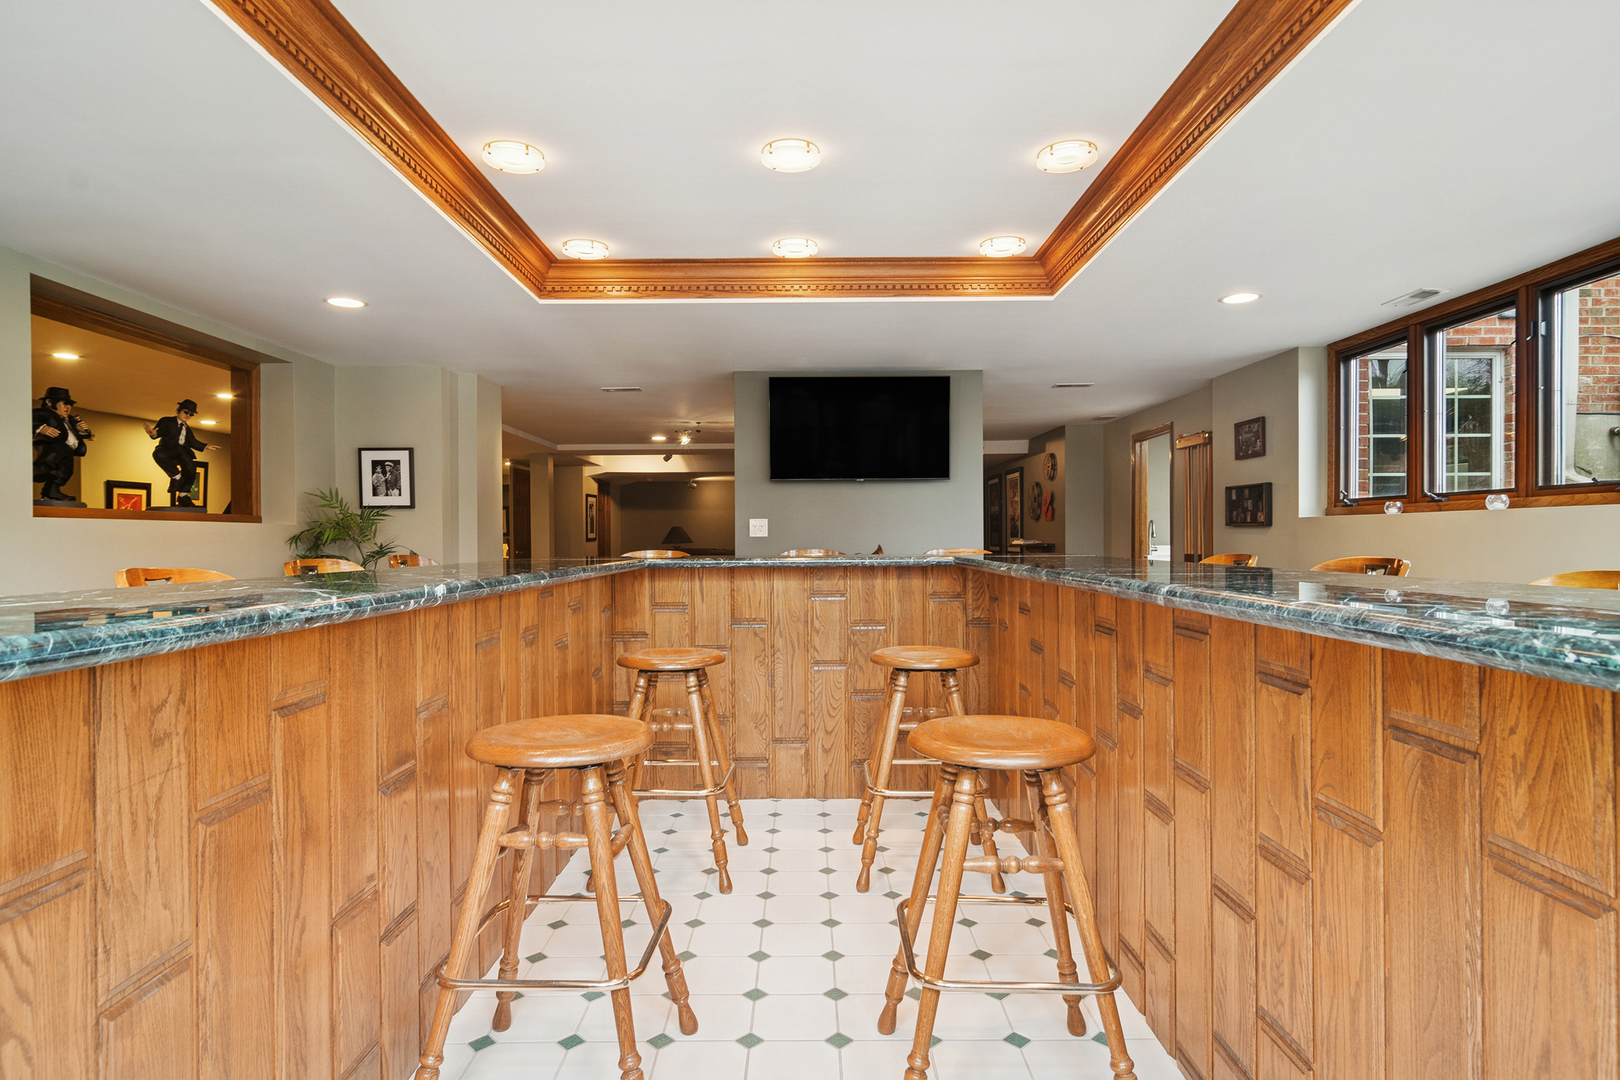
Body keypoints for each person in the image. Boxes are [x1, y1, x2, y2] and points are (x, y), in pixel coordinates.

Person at [143, 398, 210, 508]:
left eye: (191, 414)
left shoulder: (187, 428)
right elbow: (158, 431)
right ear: (179, 410)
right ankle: (176, 476)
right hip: (168, 448)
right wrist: (153, 433)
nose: (187, 416)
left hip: (182, 450)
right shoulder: (167, 421)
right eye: (186, 412)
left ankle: (183, 495)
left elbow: (192, 441)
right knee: (158, 454)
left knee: (191, 468)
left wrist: (205, 446)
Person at [32, 386, 91, 502]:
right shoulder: (44, 413)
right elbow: (26, 419)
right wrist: (41, 428)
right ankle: (38, 470)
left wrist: (81, 431)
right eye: (64, 404)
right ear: (49, 402)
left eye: (69, 405)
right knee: (50, 460)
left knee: (66, 470)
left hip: (67, 450)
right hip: (52, 445)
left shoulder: (70, 420)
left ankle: (52, 490)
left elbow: (74, 434)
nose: (67, 408)